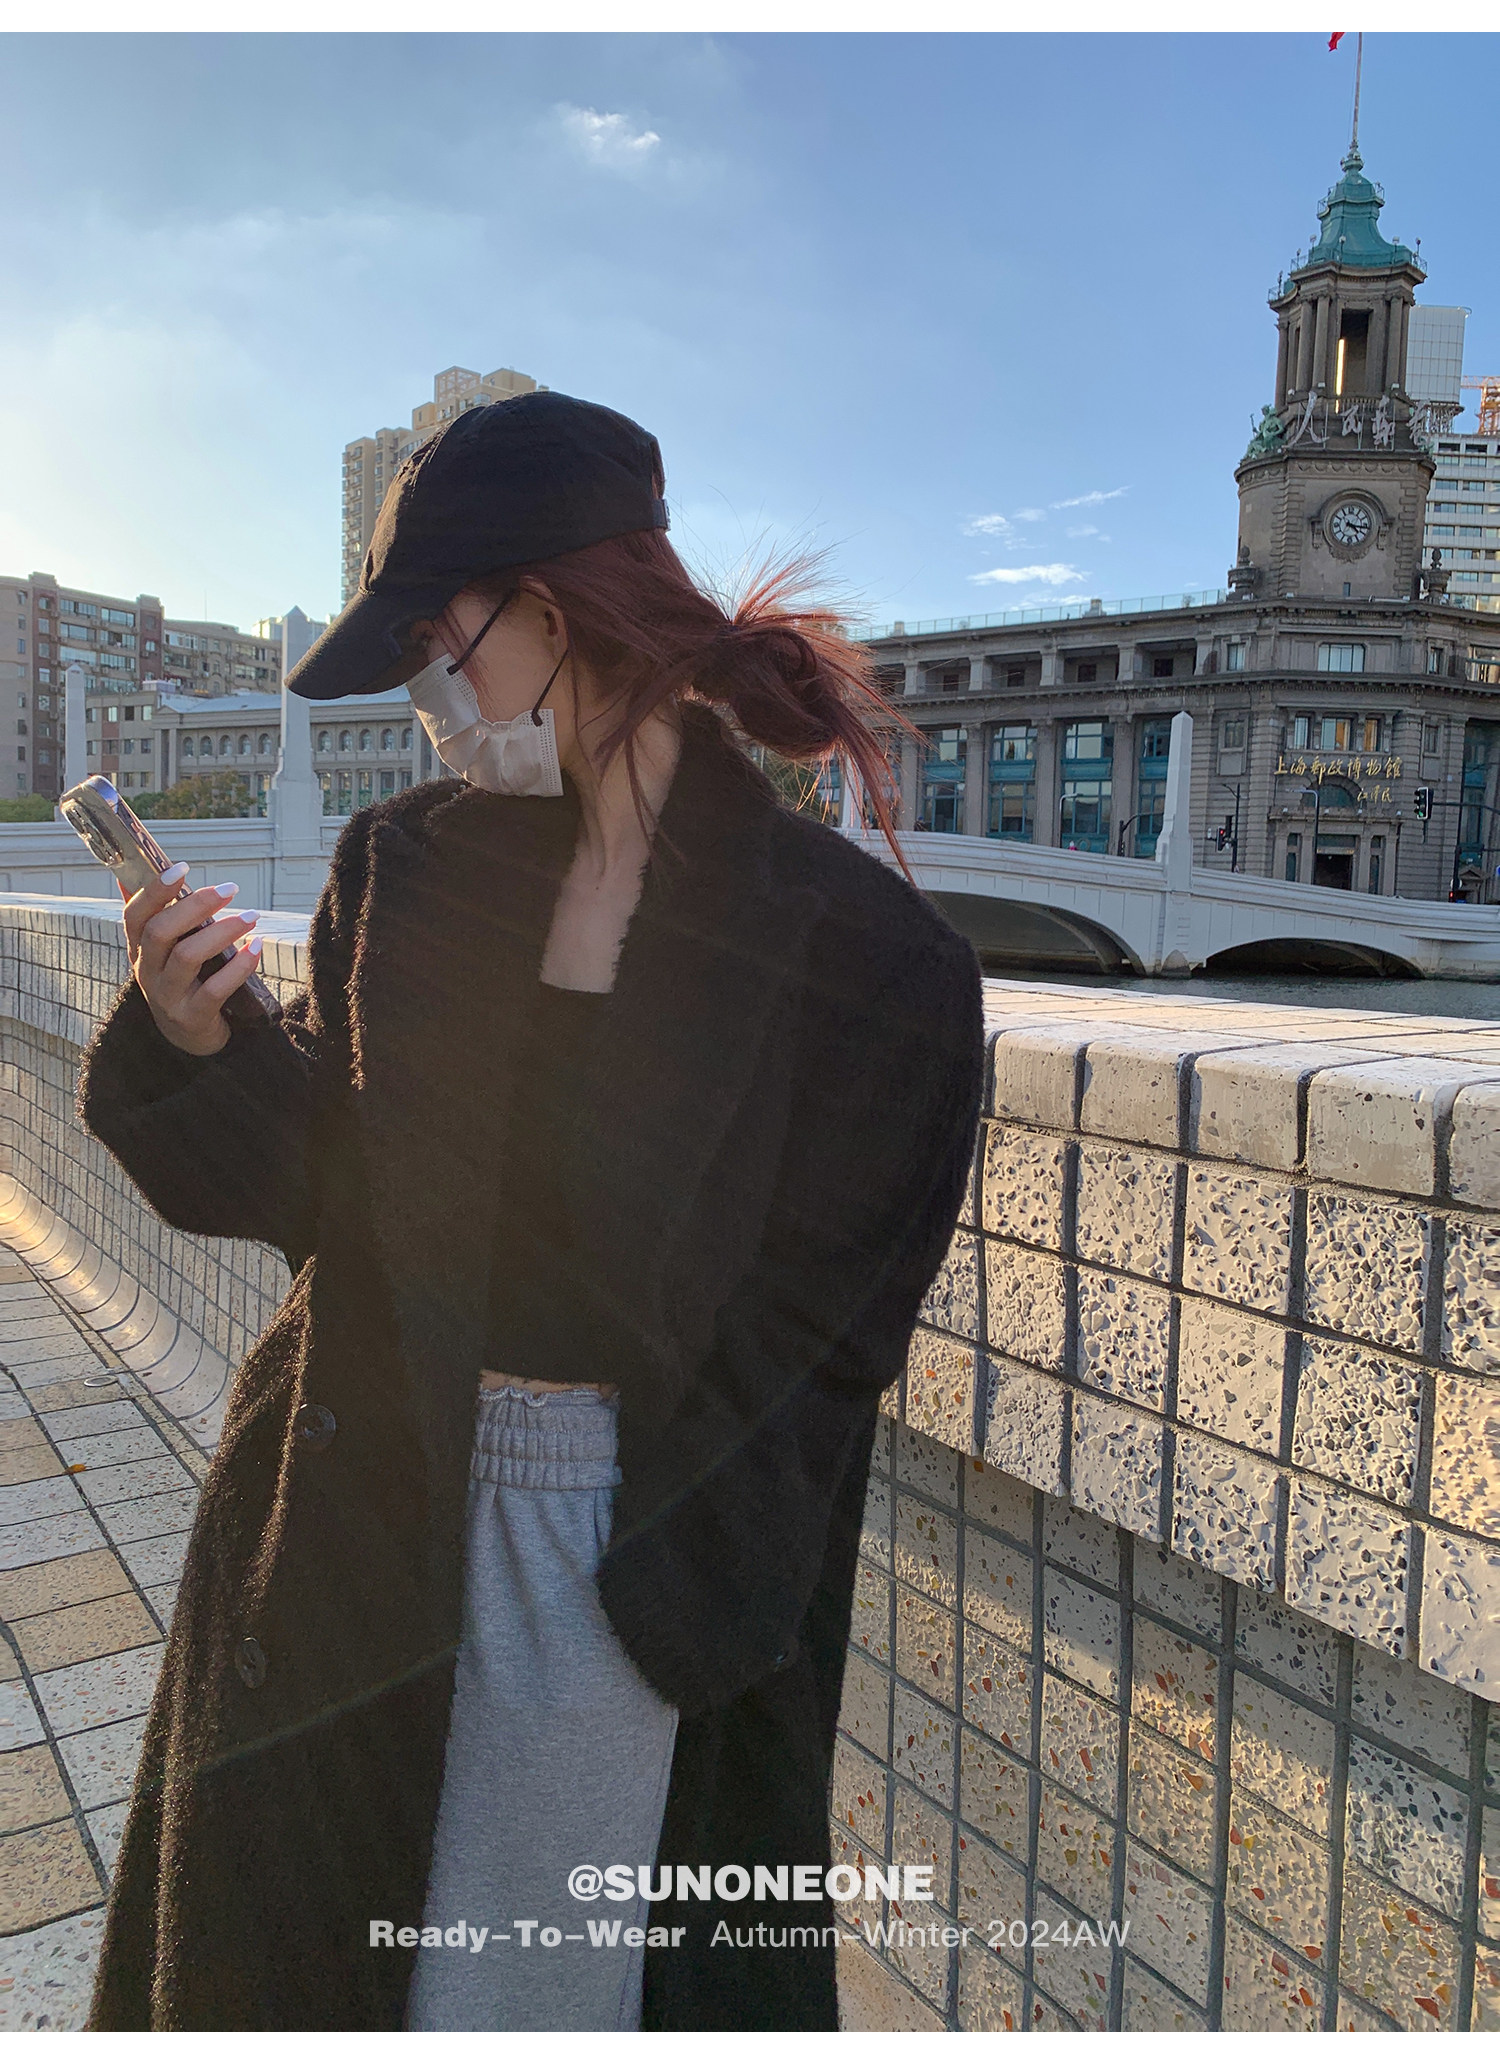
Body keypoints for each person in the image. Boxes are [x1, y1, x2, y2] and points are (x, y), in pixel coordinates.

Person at [76, 391, 984, 2032]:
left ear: (554, 611)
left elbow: (822, 1342)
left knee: (537, 2000)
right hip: (349, 1509)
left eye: (441, 642)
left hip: (626, 1557)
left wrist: (665, 1595)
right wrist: (201, 1038)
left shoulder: (871, 965)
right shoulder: (402, 869)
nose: (432, 694)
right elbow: (330, 1202)